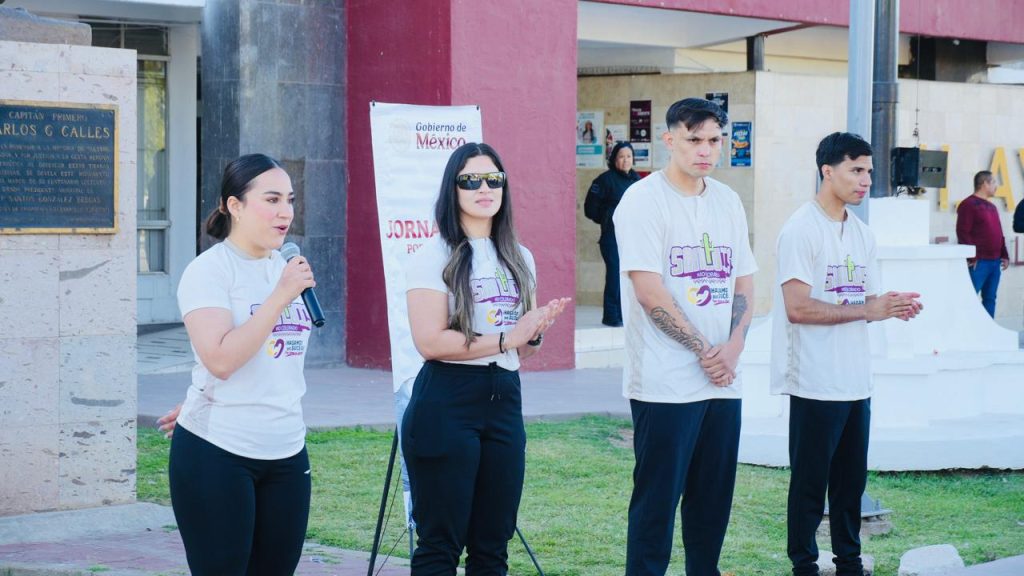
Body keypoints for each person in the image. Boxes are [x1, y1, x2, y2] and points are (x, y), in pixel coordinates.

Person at [402, 142, 570, 575]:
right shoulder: (433, 255)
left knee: (493, 544)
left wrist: (534, 332)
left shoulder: (520, 256)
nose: (484, 188)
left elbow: (522, 349)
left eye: (493, 179)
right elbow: (430, 342)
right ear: (452, 189)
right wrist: (508, 337)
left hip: (504, 398)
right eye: (471, 180)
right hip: (448, 399)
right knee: (441, 543)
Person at [614, 98, 757, 575]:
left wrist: (733, 348)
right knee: (657, 502)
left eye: (714, 140)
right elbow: (649, 291)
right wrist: (705, 351)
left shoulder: (727, 200)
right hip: (666, 381)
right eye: (694, 139)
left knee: (712, 503)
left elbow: (744, 281)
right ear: (669, 139)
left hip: (723, 381)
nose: (705, 150)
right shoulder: (642, 200)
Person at [159, 154, 317, 576]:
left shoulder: (287, 270)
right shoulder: (209, 271)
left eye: (290, 200)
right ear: (235, 206)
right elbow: (221, 360)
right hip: (219, 451)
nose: (285, 212)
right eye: (272, 199)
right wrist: (279, 296)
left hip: (286, 448)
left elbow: (275, 361)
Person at [772, 132, 922, 576]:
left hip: (856, 380)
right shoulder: (800, 229)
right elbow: (798, 308)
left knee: (850, 484)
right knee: (809, 485)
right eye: (856, 170)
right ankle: (804, 565)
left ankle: (850, 564)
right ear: (827, 170)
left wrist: (890, 306)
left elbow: (864, 302)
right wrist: (867, 309)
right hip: (815, 380)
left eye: (869, 171)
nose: (865, 180)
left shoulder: (861, 234)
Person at [584, 141, 641, 326]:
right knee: (615, 274)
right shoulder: (605, 180)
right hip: (611, 237)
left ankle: (624, 314)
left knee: (628, 276)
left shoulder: (636, 180)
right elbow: (590, 209)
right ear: (614, 159)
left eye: (629, 156)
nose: (626, 160)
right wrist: (608, 218)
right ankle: (611, 316)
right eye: (621, 156)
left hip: (631, 237)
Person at [956, 170, 1009, 318]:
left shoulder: (992, 207)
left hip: (995, 262)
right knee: (969, 299)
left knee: (990, 299)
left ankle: (988, 331)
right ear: (985, 183)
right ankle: (966, 330)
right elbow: (963, 232)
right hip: (979, 263)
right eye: (994, 182)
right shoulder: (968, 205)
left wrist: (1004, 255)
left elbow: (999, 233)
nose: (996, 186)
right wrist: (972, 257)